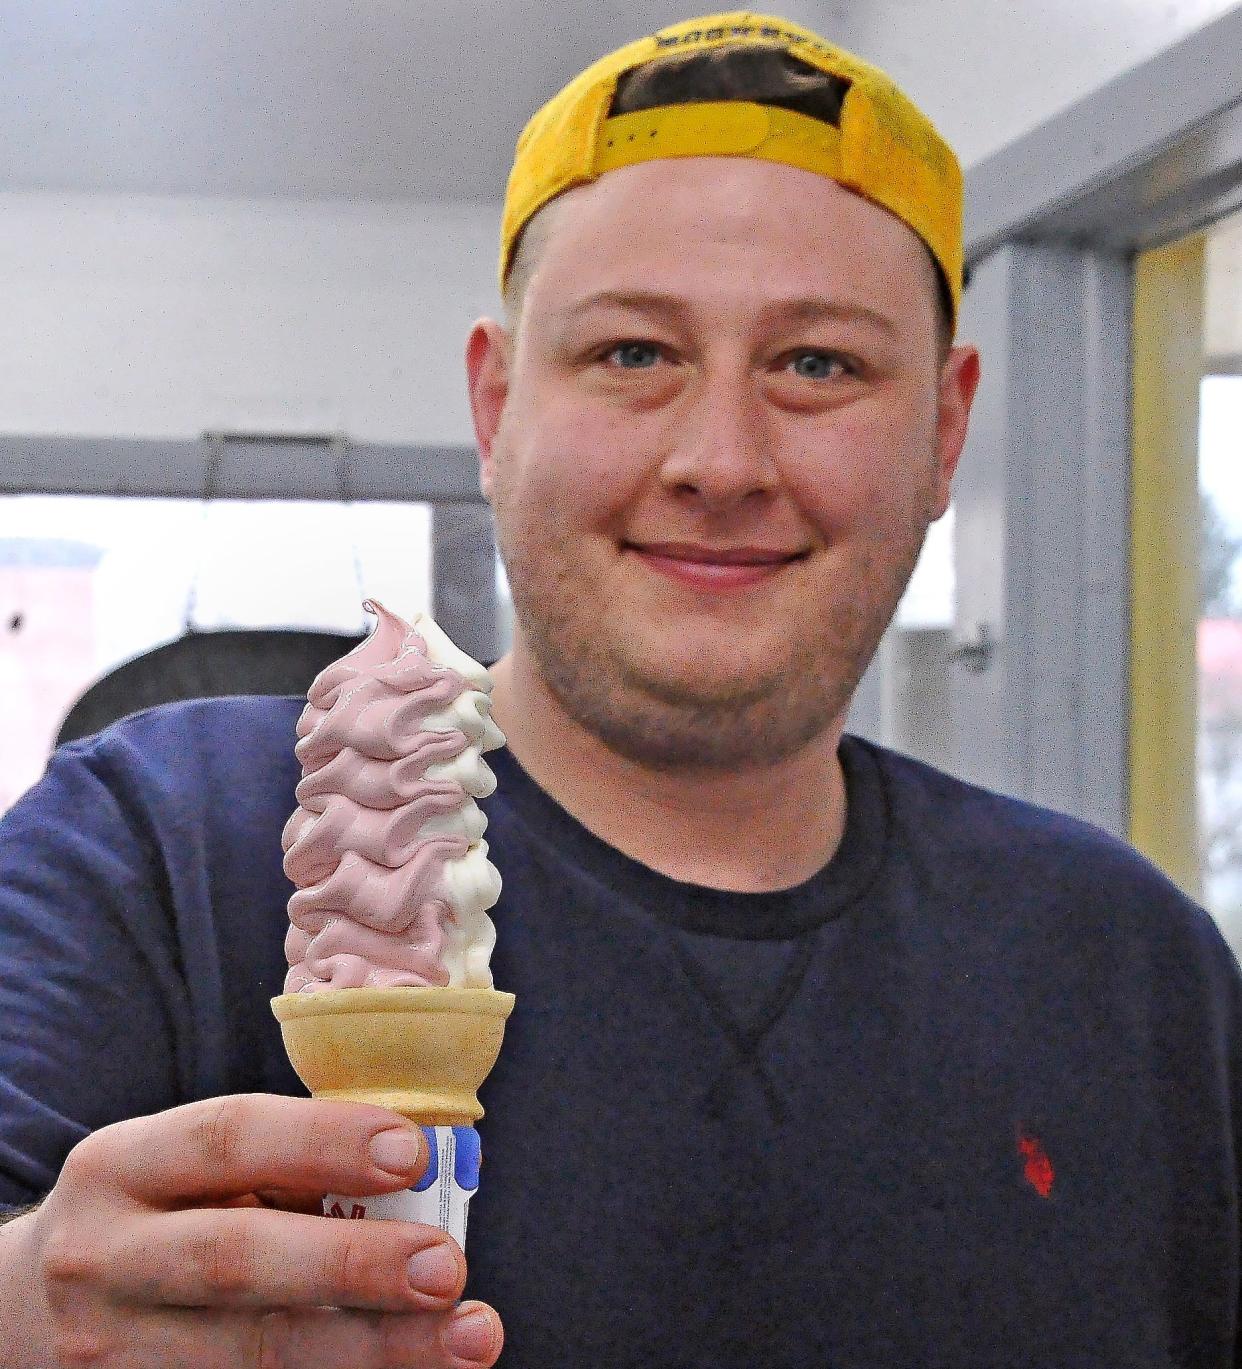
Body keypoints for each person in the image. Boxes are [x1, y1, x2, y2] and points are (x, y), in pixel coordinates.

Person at [1, 11, 1239, 1367]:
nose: (720, 458)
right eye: (632, 355)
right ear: (494, 410)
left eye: (817, 364)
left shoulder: (1132, 967)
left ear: (945, 429)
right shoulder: (154, 849)